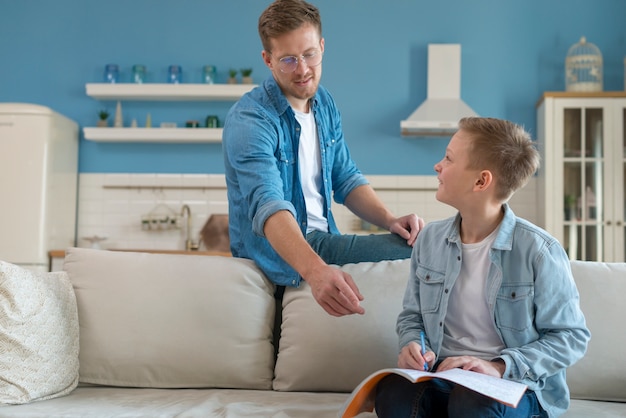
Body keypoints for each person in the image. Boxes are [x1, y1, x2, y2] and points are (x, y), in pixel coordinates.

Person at [375, 117, 590, 417]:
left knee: (472, 402)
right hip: (445, 377)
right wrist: (411, 343)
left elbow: (571, 337)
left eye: (448, 158)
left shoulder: (540, 251)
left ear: (481, 181)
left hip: (514, 386)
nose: (438, 165)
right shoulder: (429, 241)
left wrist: (499, 366)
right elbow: (412, 316)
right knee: (392, 394)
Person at [222, 0, 424, 317]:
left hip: (326, 238)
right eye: (288, 59)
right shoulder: (251, 120)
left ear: (322, 46)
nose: (302, 69)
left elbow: (345, 177)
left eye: (309, 54)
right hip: (284, 251)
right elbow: (268, 206)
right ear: (267, 60)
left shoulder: (324, 102)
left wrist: (390, 219)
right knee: (430, 250)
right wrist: (316, 272)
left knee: (427, 244)